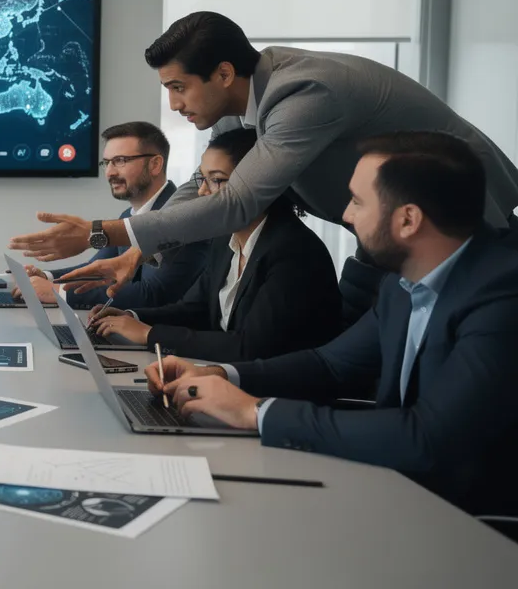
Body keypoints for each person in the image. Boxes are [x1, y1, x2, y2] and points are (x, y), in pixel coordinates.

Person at [11, 12, 518, 323]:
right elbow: (199, 186)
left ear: (224, 73)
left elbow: (236, 202)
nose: (173, 106)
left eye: (178, 87)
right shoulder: (239, 105)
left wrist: (105, 233)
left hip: (459, 220)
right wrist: (137, 247)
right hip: (384, 235)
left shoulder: (304, 92)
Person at [148, 131, 518, 520]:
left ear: (408, 219)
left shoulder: (502, 296)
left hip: (473, 525)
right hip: (396, 492)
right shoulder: (402, 281)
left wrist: (256, 412)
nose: (346, 214)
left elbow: (428, 438)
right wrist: (221, 375)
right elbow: (329, 365)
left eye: (358, 201)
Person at [91, 128, 342, 362]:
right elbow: (195, 310)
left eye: (217, 180)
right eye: (202, 178)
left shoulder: (293, 251)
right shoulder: (225, 240)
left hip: (279, 396)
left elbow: (251, 347)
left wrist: (148, 334)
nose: (201, 192)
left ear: (259, 185)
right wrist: (132, 317)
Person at [10, 121, 207, 309]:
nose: (110, 172)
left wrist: (59, 292)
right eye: (106, 163)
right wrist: (47, 277)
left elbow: (152, 293)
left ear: (155, 164)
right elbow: (95, 269)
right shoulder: (127, 215)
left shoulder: (181, 218)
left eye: (120, 161)